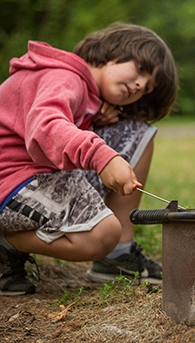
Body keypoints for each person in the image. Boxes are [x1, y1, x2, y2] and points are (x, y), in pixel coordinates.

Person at [0, 22, 178, 295]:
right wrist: (101, 156)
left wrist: (93, 118)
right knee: (102, 233)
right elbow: (45, 127)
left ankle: (116, 256)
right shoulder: (64, 77)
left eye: (147, 88)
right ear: (110, 52)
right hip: (10, 180)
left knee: (138, 132)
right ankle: (9, 242)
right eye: (141, 70)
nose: (141, 84)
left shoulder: (85, 92)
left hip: (31, 177)